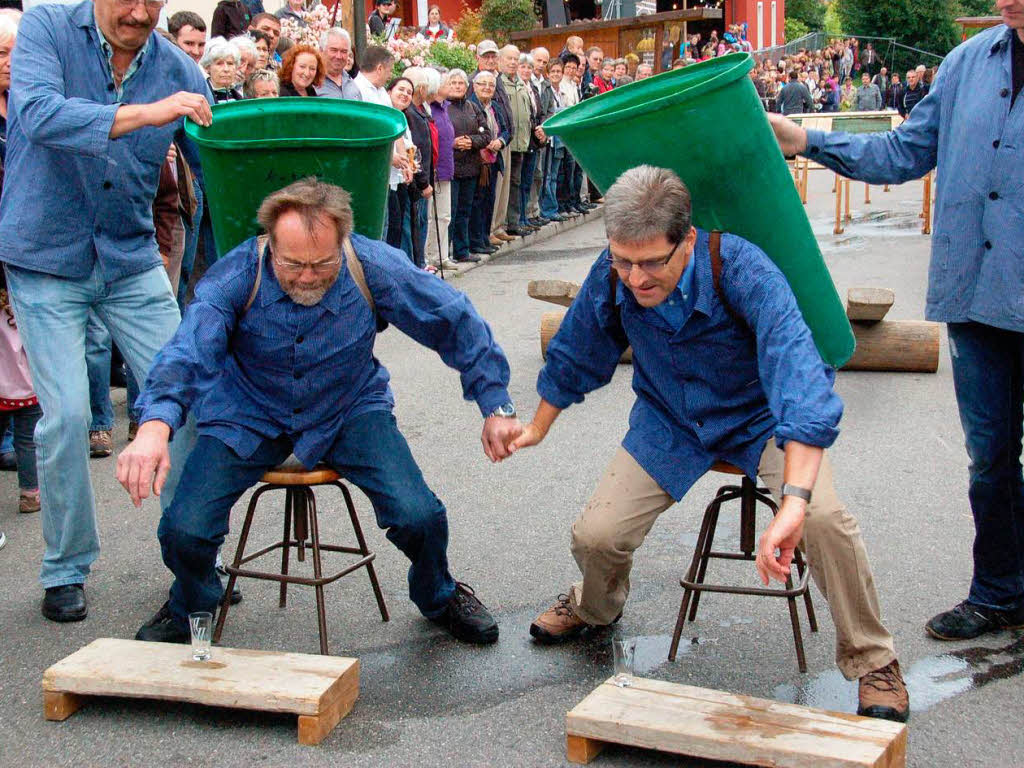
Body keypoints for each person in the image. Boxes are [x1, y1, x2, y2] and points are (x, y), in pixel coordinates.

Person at [511, 165, 910, 724]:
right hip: (669, 421)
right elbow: (579, 346)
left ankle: (874, 661)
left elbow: (799, 376)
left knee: (825, 521)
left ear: (688, 238)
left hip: (759, 420)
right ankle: (594, 608)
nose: (635, 278)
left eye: (652, 262)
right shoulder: (616, 269)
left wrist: (795, 502)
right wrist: (538, 426)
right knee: (596, 536)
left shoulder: (743, 269)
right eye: (623, 260)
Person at [121, 178, 521, 645]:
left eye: (322, 263)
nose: (308, 276)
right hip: (247, 410)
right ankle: (191, 601)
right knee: (184, 530)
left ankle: (439, 593)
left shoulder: (369, 264)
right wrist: (154, 426)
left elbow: (453, 318)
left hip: (348, 406)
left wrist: (495, 403)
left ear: (344, 242)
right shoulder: (235, 276)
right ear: (270, 245)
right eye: (293, 264)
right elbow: (187, 351)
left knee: (419, 516)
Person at [767, 5, 1024, 643]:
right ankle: (1000, 593)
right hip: (978, 297)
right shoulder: (970, 63)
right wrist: (808, 140)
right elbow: (906, 150)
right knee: (990, 459)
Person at [0, 0, 212, 623]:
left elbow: (215, 151)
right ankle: (65, 568)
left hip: (129, 256)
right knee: (64, 417)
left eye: (154, 0)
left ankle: (193, 557)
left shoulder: (178, 67)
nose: (141, 11)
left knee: (195, 397)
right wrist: (149, 112)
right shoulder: (45, 28)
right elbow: (36, 113)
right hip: (45, 257)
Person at [0, 13, 40, 518]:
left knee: (33, 389)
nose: (10, 64)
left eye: (15, 53)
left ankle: (33, 488)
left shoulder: (32, 109)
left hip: (28, 265)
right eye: (1, 55)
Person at [445, 69, 490, 263]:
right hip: (451, 168)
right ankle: (444, 253)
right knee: (451, 213)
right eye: (453, 83)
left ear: (467, 86)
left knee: (465, 211)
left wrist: (471, 141)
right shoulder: (443, 107)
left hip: (471, 167)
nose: (457, 86)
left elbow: (486, 135)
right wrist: (453, 143)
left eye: (460, 83)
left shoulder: (473, 107)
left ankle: (462, 251)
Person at [475, 39, 515, 245]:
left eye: (493, 56)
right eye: (486, 57)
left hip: (501, 143)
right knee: (485, 196)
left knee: (500, 191)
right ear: (478, 59)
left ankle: (496, 227)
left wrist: (504, 138)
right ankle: (487, 232)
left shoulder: (498, 80)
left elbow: (503, 115)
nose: (490, 60)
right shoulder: (476, 82)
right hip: (482, 151)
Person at [469, 70, 503, 258]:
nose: (487, 88)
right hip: (477, 161)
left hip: (494, 159)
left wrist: (501, 141)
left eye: (491, 85)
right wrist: (485, 141)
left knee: (489, 201)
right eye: (483, 84)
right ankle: (475, 241)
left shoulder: (495, 107)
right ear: (474, 86)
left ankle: (484, 238)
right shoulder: (471, 105)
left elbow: (506, 128)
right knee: (477, 203)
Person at [427, 70, 457, 270]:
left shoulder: (446, 107)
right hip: (434, 169)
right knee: (431, 215)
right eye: (448, 83)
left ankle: (442, 255)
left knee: (444, 214)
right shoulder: (430, 108)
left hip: (447, 167)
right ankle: (429, 256)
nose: (451, 86)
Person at [316, 27, 360, 99]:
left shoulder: (352, 83)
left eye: (344, 51)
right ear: (321, 51)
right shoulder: (311, 83)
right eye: (334, 50)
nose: (339, 56)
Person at [202, 37, 243, 102]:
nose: (226, 69)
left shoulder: (241, 98)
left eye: (230, 63)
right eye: (219, 64)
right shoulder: (201, 95)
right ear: (207, 67)